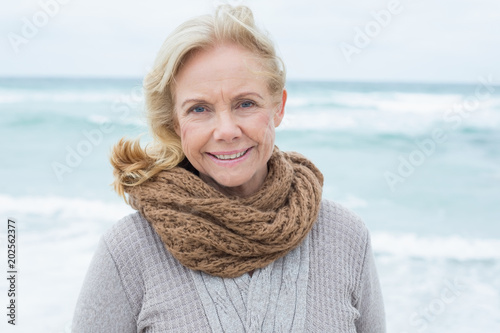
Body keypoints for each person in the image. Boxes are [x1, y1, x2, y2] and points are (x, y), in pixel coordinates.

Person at [72, 5, 385, 332]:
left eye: (245, 103)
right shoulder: (128, 252)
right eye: (199, 108)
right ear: (175, 123)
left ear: (278, 107)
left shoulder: (346, 237)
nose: (226, 130)